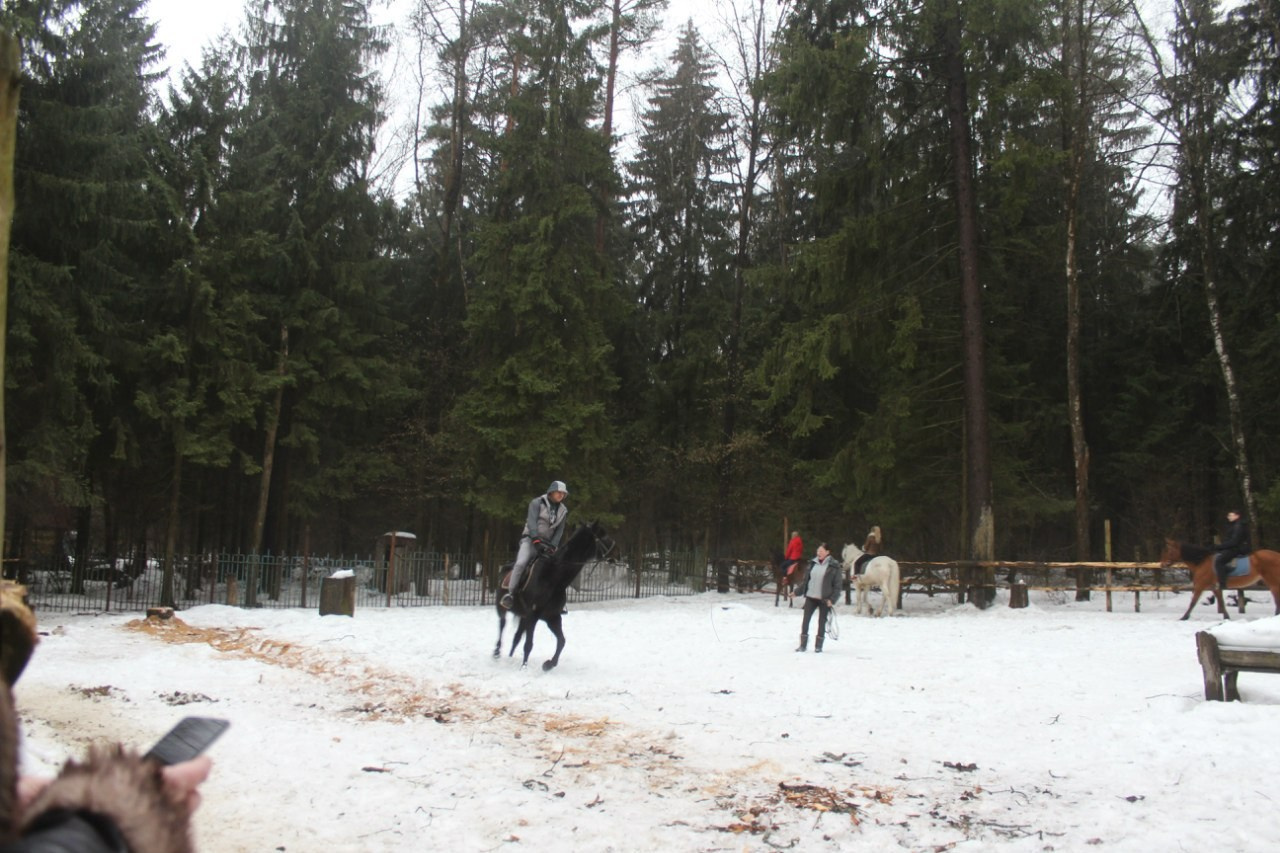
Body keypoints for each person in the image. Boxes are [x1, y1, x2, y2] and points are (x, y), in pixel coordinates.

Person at [500, 481, 570, 610]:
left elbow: (559, 530)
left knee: (558, 568)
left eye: (563, 494)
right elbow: (532, 522)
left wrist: (553, 546)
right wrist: (536, 539)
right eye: (559, 492)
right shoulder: (537, 502)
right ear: (551, 491)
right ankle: (510, 595)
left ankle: (558, 601)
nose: (561, 495)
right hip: (530, 540)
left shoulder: (563, 511)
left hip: (548, 544)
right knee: (521, 563)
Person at [795, 542, 841, 653]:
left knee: (822, 622)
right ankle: (803, 645)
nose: (818, 553)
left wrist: (832, 599)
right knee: (805, 621)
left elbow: (838, 586)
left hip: (824, 599)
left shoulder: (833, 566)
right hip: (811, 597)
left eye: (821, 551)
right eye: (818, 551)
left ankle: (818, 646)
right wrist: (796, 592)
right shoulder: (812, 564)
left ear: (827, 552)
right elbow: (806, 581)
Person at [1213, 509, 1251, 590]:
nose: (1228, 517)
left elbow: (1234, 541)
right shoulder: (1235, 525)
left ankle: (1222, 584)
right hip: (1236, 547)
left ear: (1237, 516)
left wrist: (1219, 547)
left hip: (1238, 548)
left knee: (1219, 561)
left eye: (1230, 515)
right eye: (1228, 515)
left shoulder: (1238, 526)